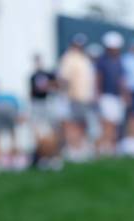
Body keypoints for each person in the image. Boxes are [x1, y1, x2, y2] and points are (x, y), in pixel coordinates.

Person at [58, 33, 96, 162]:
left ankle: (80, 147)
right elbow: (64, 79)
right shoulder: (69, 58)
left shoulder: (84, 59)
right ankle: (73, 148)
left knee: (81, 124)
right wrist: (66, 97)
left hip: (85, 97)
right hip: (74, 97)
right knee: (73, 124)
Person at [96, 31, 128, 155]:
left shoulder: (120, 61)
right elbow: (99, 78)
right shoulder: (102, 61)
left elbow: (122, 80)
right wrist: (98, 94)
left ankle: (112, 149)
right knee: (107, 124)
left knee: (115, 124)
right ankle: (103, 149)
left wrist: (125, 94)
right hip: (106, 96)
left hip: (117, 97)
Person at [28, 54, 62, 170]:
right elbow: (32, 93)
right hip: (38, 106)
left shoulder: (48, 74)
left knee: (52, 133)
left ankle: (54, 156)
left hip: (48, 104)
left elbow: (56, 85)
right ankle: (43, 157)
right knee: (40, 133)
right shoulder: (33, 76)